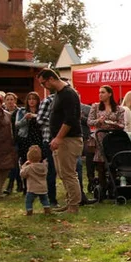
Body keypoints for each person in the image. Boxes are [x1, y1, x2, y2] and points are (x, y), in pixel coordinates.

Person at [38, 69, 84, 214]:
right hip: (60, 139)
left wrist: (58, 137)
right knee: (62, 173)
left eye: (43, 83)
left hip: (69, 139)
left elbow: (70, 119)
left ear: (51, 79)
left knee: (69, 173)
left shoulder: (68, 94)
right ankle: (70, 201)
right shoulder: (58, 94)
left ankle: (74, 206)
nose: (43, 86)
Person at [87, 86, 126, 189]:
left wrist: (115, 125)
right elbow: (89, 121)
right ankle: (102, 187)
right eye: (99, 92)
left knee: (112, 162)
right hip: (100, 137)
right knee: (100, 164)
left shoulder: (118, 109)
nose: (100, 94)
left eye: (103, 92)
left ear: (109, 94)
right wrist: (98, 121)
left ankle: (113, 187)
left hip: (113, 137)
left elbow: (122, 124)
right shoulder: (95, 106)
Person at [20, 145, 51, 216]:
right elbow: (46, 172)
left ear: (28, 158)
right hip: (43, 187)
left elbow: (22, 174)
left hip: (32, 188)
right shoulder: (43, 166)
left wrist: (23, 166)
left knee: (29, 200)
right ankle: (47, 209)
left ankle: (29, 211)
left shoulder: (29, 168)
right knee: (44, 199)